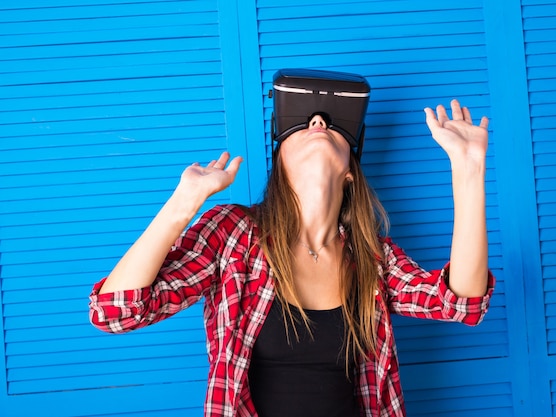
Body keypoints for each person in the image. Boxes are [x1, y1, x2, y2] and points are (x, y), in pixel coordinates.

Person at [89, 69, 495, 417]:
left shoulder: (373, 257)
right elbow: (116, 312)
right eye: (303, 124)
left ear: (350, 172)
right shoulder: (234, 235)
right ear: (279, 161)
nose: (318, 121)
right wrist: (184, 203)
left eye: (332, 125)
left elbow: (461, 303)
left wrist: (469, 170)